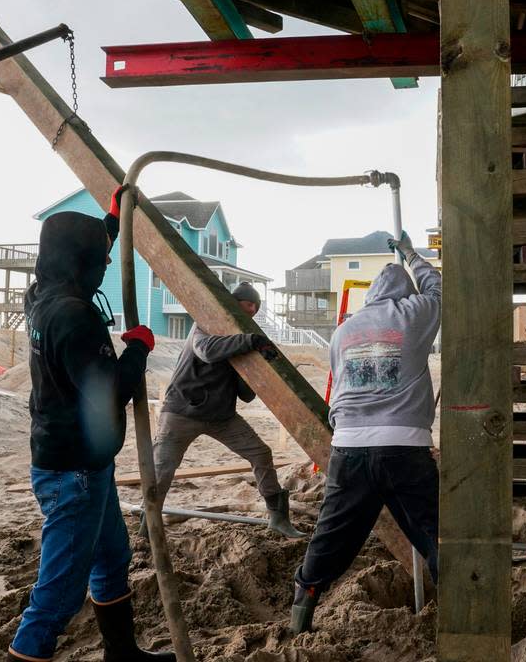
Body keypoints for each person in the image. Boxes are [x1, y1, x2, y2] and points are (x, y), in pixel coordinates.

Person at [8, 186, 173, 662]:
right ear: (85, 265)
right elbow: (111, 394)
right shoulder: (76, 318)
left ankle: (121, 654)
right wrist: (139, 347)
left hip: (76, 461)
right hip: (73, 473)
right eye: (100, 260)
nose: (104, 267)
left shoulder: (39, 295)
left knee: (111, 559)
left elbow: (85, 249)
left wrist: (113, 220)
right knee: (57, 598)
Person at [289, 231, 441, 634]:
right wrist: (410, 253)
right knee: (436, 533)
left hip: (349, 447)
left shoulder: (343, 331)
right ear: (404, 295)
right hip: (403, 446)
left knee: (331, 534)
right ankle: (460, 611)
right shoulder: (413, 315)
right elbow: (437, 288)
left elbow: (340, 387)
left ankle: (302, 607)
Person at [148, 281, 304, 540]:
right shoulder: (204, 326)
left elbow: (246, 395)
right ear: (232, 303)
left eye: (256, 307)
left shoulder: (241, 346)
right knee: (162, 469)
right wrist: (251, 341)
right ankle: (148, 522)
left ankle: (277, 516)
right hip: (181, 413)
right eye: (248, 304)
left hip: (221, 417)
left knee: (260, 453)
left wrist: (263, 372)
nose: (252, 310)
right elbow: (207, 352)